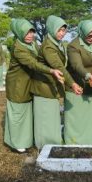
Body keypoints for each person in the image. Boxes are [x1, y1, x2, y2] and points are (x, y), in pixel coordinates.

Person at [4, 18, 62, 153]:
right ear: (19, 33)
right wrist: (51, 70)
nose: (30, 35)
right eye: (27, 33)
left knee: (27, 112)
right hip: (17, 84)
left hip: (29, 81)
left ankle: (26, 140)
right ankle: (17, 142)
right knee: (18, 112)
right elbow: (32, 63)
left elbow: (40, 57)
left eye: (32, 32)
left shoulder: (34, 43)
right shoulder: (18, 48)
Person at [31, 15, 82, 149]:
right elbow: (58, 66)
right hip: (43, 86)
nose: (62, 33)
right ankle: (43, 145)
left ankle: (51, 143)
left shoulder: (56, 43)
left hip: (51, 85)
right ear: (52, 29)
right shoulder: (48, 47)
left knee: (51, 117)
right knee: (45, 117)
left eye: (64, 30)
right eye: (59, 30)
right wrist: (73, 83)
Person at [64, 20, 92, 145]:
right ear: (82, 33)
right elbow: (76, 65)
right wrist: (88, 76)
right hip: (76, 85)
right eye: (89, 35)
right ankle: (73, 143)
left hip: (90, 86)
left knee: (88, 117)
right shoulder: (73, 46)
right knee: (76, 118)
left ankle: (88, 142)